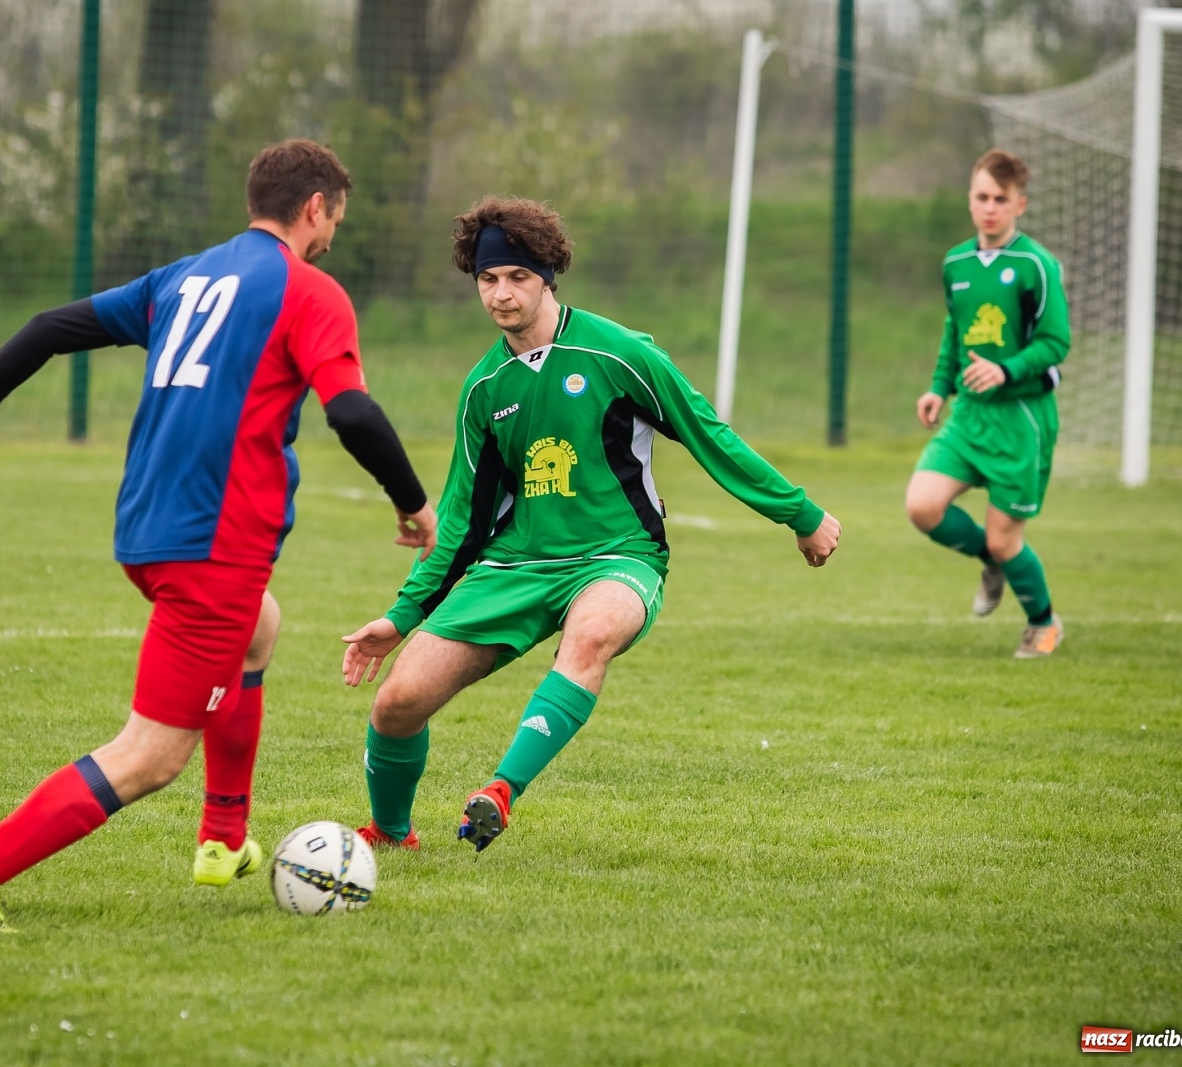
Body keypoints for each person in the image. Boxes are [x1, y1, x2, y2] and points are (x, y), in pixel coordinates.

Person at [0, 139, 436, 929]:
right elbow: (349, 409)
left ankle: (224, 839)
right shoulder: (309, 291)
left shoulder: (184, 277)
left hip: (149, 527)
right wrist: (415, 503)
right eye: (333, 222)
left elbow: (47, 327)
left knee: (261, 630)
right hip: (214, 545)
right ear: (315, 207)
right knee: (150, 755)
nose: (331, 239)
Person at [340, 197, 841, 853]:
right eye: (488, 279)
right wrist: (400, 618)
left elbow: (708, 433)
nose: (501, 292)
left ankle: (501, 791)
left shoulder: (619, 354)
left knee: (594, 631)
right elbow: (461, 522)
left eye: (516, 276)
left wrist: (800, 514)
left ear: (548, 274)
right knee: (396, 703)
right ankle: (389, 832)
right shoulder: (485, 389)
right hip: (516, 565)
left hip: (617, 555)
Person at [905, 149, 1069, 658]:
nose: (990, 207)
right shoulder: (955, 262)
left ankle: (1043, 623)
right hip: (968, 417)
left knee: (1005, 539)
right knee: (922, 506)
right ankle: (993, 563)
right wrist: (939, 387)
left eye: (1001, 199)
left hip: (1021, 420)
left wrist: (1005, 369)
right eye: (982, 197)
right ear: (970, 200)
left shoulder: (1036, 266)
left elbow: (1055, 343)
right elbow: (954, 331)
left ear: (1020, 204)